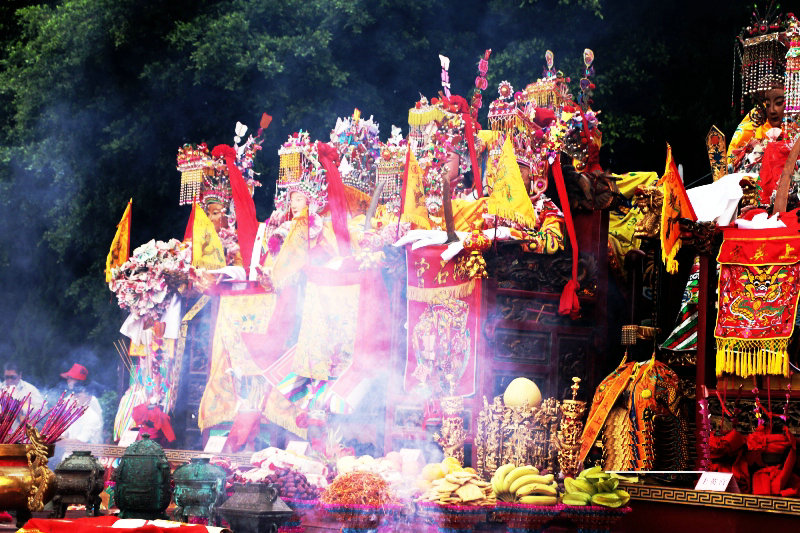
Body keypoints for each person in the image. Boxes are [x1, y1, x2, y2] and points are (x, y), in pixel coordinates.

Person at [59, 363, 103, 444]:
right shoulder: (68, 399)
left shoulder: (92, 401)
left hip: (88, 448)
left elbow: (95, 428)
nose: (68, 381)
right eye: (68, 378)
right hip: (70, 445)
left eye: (71, 378)